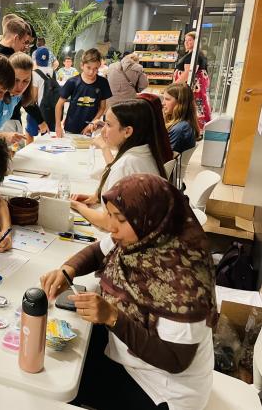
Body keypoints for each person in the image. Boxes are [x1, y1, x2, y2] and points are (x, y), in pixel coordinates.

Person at [41, 174, 217, 410]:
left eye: (121, 219)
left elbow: (175, 360)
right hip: (131, 355)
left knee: (62, 381)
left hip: (162, 389)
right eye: (110, 215)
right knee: (64, 352)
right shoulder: (143, 236)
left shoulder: (185, 283)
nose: (111, 227)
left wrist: (112, 317)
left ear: (150, 218)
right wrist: (68, 270)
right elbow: (97, 251)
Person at [71, 99, 168, 229]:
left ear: (127, 131)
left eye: (108, 125)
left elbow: (110, 223)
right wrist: (98, 197)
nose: (103, 131)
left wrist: (79, 207)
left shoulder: (125, 165)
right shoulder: (147, 152)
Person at [54, 48, 112, 137]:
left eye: (95, 68)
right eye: (88, 67)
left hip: (91, 129)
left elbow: (102, 107)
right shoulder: (72, 82)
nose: (91, 72)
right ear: (82, 65)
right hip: (71, 127)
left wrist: (92, 123)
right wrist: (58, 125)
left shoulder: (103, 82)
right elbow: (59, 104)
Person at [173, 31, 211, 130]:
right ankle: (197, 127)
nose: (186, 42)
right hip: (194, 86)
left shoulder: (194, 56)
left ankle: (198, 127)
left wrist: (174, 85)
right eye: (185, 40)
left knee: (197, 105)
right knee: (197, 105)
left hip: (194, 86)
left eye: (189, 40)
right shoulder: (193, 54)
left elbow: (188, 72)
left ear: (196, 41)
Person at [29, 46, 60, 140]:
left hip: (39, 110)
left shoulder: (34, 73)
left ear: (36, 59)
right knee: (49, 136)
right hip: (51, 110)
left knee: (29, 132)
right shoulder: (53, 72)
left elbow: (34, 98)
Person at [163, 83, 199, 154]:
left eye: (167, 99)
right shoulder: (184, 124)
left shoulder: (180, 128)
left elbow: (166, 156)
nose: (163, 103)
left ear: (180, 102)